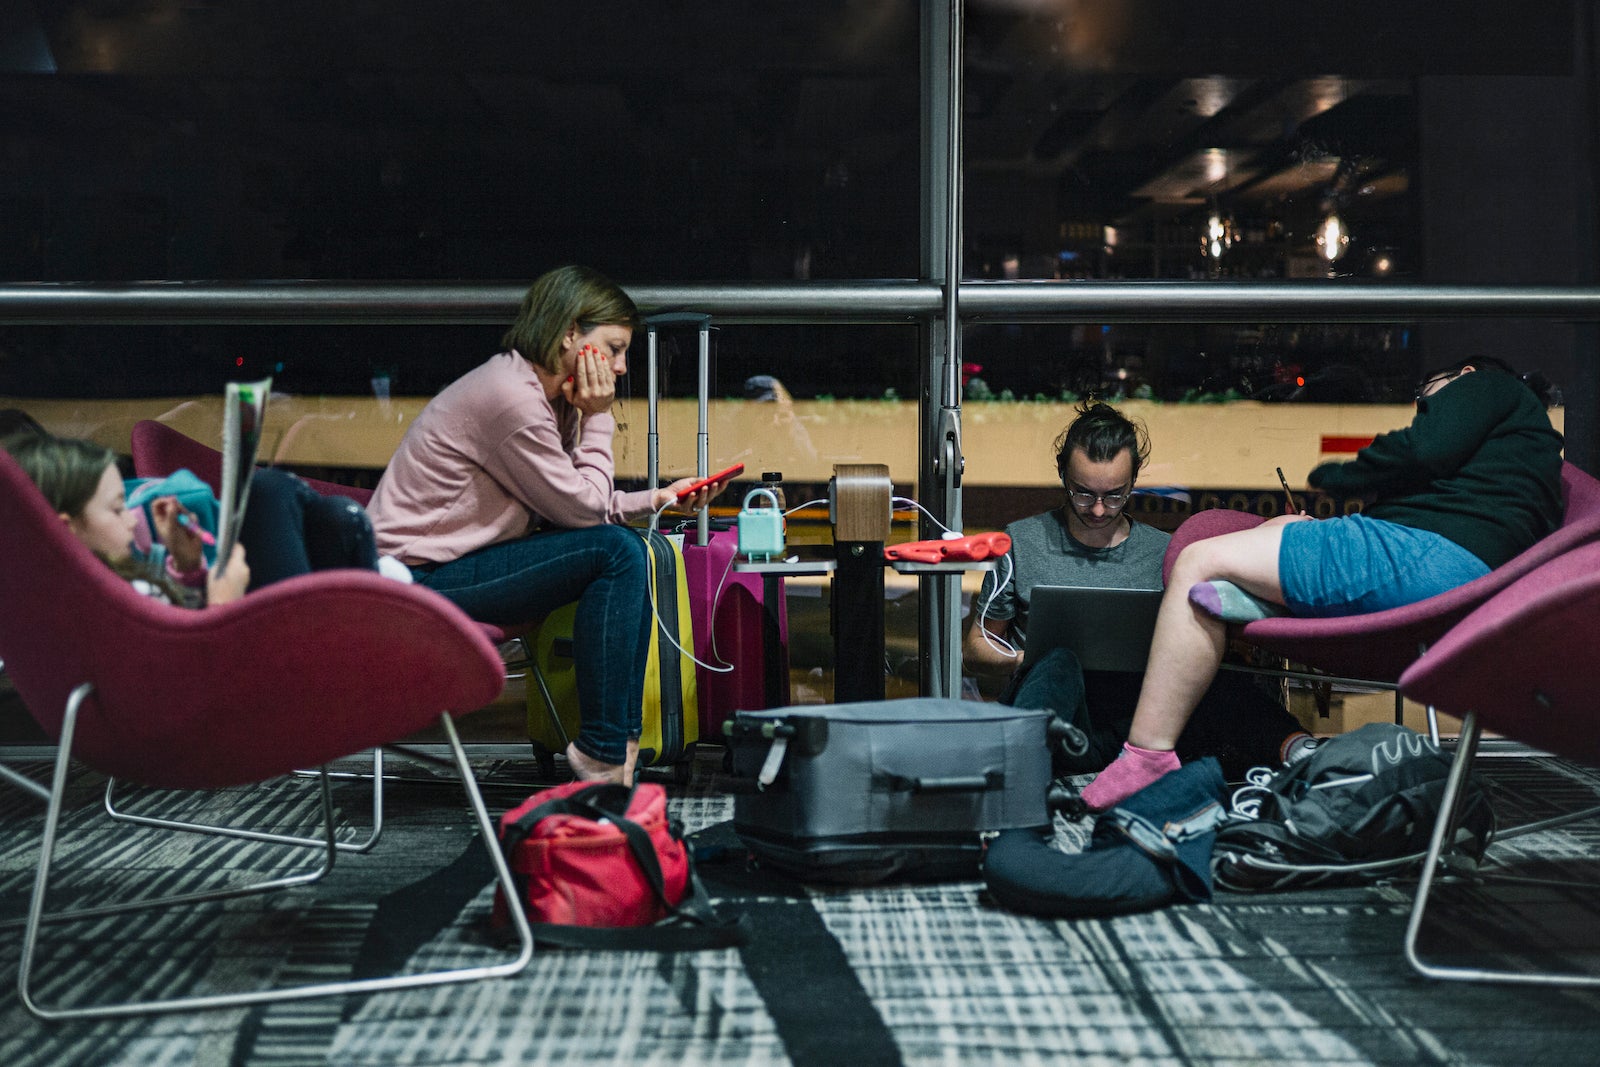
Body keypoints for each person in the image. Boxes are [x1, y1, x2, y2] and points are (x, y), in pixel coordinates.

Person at [1080, 356, 1565, 811]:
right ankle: (1258, 600)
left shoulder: (1486, 382)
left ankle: (1147, 758)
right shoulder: (1516, 457)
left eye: (1427, 396)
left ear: (1462, 372)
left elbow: (1426, 446)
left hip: (1420, 557)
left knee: (1196, 562)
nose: (1424, 407)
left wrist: (1343, 473)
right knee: (1280, 532)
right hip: (1439, 566)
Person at [365, 265, 729, 787]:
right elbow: (583, 510)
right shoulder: (509, 399)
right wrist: (599, 416)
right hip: (413, 580)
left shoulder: (539, 394)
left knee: (624, 547)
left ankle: (613, 747)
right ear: (569, 335)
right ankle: (606, 751)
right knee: (617, 552)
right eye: (615, 347)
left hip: (457, 564)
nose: (622, 367)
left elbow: (579, 504)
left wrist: (661, 498)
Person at [963, 400, 1309, 781]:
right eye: (1083, 494)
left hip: (1139, 722)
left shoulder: (1165, 553)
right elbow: (978, 646)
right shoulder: (1021, 542)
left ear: (1134, 480)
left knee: (1207, 670)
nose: (1097, 510)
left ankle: (1300, 750)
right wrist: (1023, 660)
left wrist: (1280, 535)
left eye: (1114, 495)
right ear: (1063, 474)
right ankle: (1019, 783)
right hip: (1055, 714)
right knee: (1059, 662)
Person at [7, 433, 383, 608]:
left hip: (242, 665)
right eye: (118, 508)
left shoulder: (107, 581)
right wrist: (225, 598)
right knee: (272, 492)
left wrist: (187, 567)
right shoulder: (92, 604)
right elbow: (180, 672)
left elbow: (175, 625)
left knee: (333, 518)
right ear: (64, 527)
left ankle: (385, 607)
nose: (130, 519)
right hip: (245, 684)